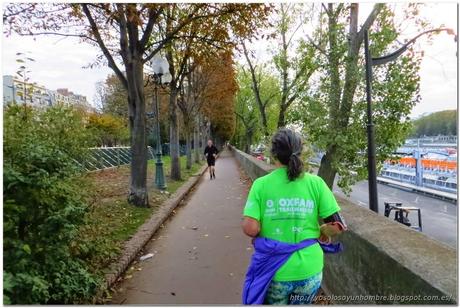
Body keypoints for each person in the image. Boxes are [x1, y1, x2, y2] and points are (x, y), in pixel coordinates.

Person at [241, 128, 347, 305]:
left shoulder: (261, 185)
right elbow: (338, 226)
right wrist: (323, 230)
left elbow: (251, 229)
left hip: (276, 272)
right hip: (310, 270)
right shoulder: (316, 183)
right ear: (301, 151)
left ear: (274, 153)